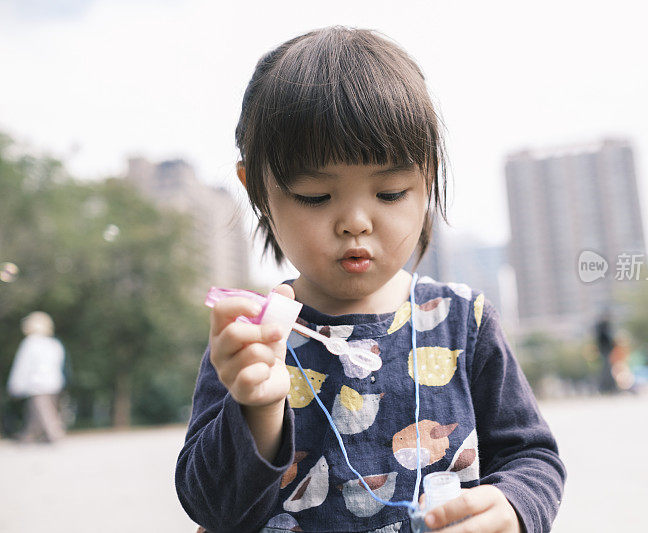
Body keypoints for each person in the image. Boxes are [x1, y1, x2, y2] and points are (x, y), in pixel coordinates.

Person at [175, 27, 565, 533]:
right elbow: (212, 508)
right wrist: (258, 406)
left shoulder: (462, 323)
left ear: (428, 179)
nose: (356, 221)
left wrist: (513, 506)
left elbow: (531, 456)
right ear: (259, 191)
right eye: (316, 196)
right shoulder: (257, 336)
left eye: (391, 192)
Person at [6, 311, 66, 443]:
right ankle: (29, 435)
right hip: (53, 383)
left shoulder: (30, 343)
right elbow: (59, 365)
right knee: (35, 411)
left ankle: (55, 434)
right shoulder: (54, 344)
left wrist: (14, 385)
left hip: (37, 384)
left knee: (44, 412)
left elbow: (23, 366)